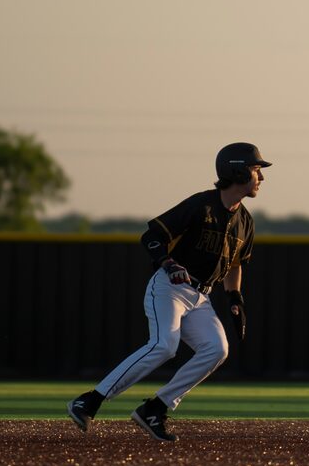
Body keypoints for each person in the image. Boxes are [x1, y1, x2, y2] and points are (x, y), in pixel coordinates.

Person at [67, 142, 271, 441]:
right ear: (237, 170)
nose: (261, 178)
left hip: (201, 296)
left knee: (217, 349)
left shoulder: (246, 222)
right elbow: (151, 236)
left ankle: (155, 408)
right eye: (256, 170)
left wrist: (235, 298)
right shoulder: (201, 205)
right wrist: (168, 262)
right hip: (170, 287)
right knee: (164, 345)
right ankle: (91, 400)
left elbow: (236, 264)